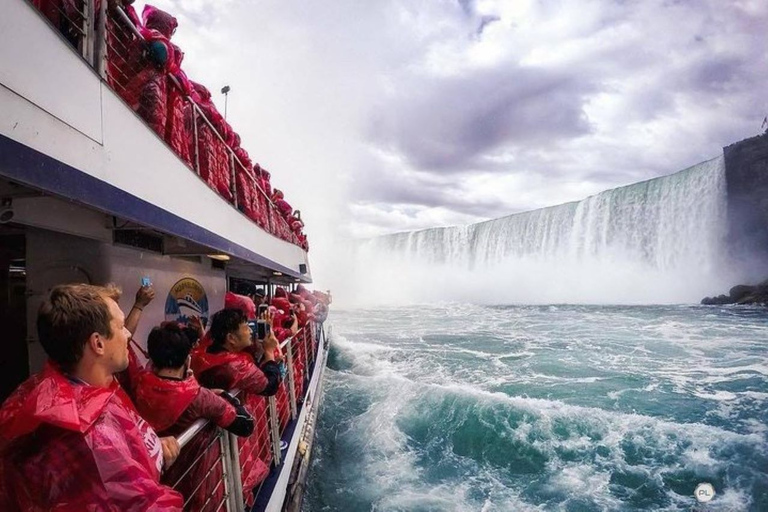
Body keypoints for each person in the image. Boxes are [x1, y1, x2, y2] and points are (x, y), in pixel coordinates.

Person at [0, 283, 182, 511]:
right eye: (120, 326)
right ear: (98, 343)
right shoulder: (92, 435)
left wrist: (148, 448)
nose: (127, 333)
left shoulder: (49, 390)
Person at [134, 322, 254, 437]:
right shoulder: (200, 397)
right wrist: (224, 395)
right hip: (199, 457)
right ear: (187, 359)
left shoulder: (137, 386)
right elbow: (246, 425)